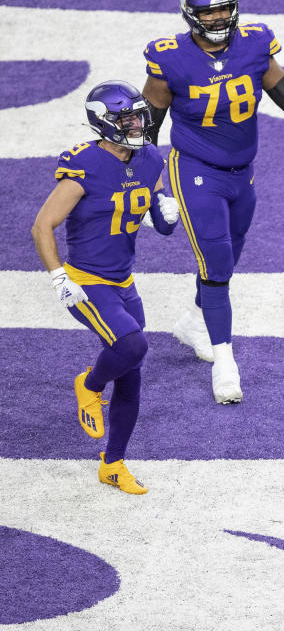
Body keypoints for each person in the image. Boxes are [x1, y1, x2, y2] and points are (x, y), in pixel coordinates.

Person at [141, 0, 284, 404]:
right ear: (191, 14)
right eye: (210, 10)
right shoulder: (170, 57)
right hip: (194, 168)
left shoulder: (255, 42)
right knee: (218, 258)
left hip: (242, 171)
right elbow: (147, 129)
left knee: (229, 253)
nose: (220, 16)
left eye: (224, 7)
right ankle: (226, 361)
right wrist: (152, 189)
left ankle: (193, 319)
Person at [31, 80, 180, 494]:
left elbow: (162, 225)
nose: (136, 123)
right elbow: (43, 225)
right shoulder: (86, 165)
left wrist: (168, 211)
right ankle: (89, 385)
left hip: (123, 280)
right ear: (104, 123)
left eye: (137, 115)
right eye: (126, 117)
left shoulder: (151, 158)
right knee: (132, 346)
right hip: (86, 281)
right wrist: (58, 276)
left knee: (131, 372)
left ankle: (112, 464)